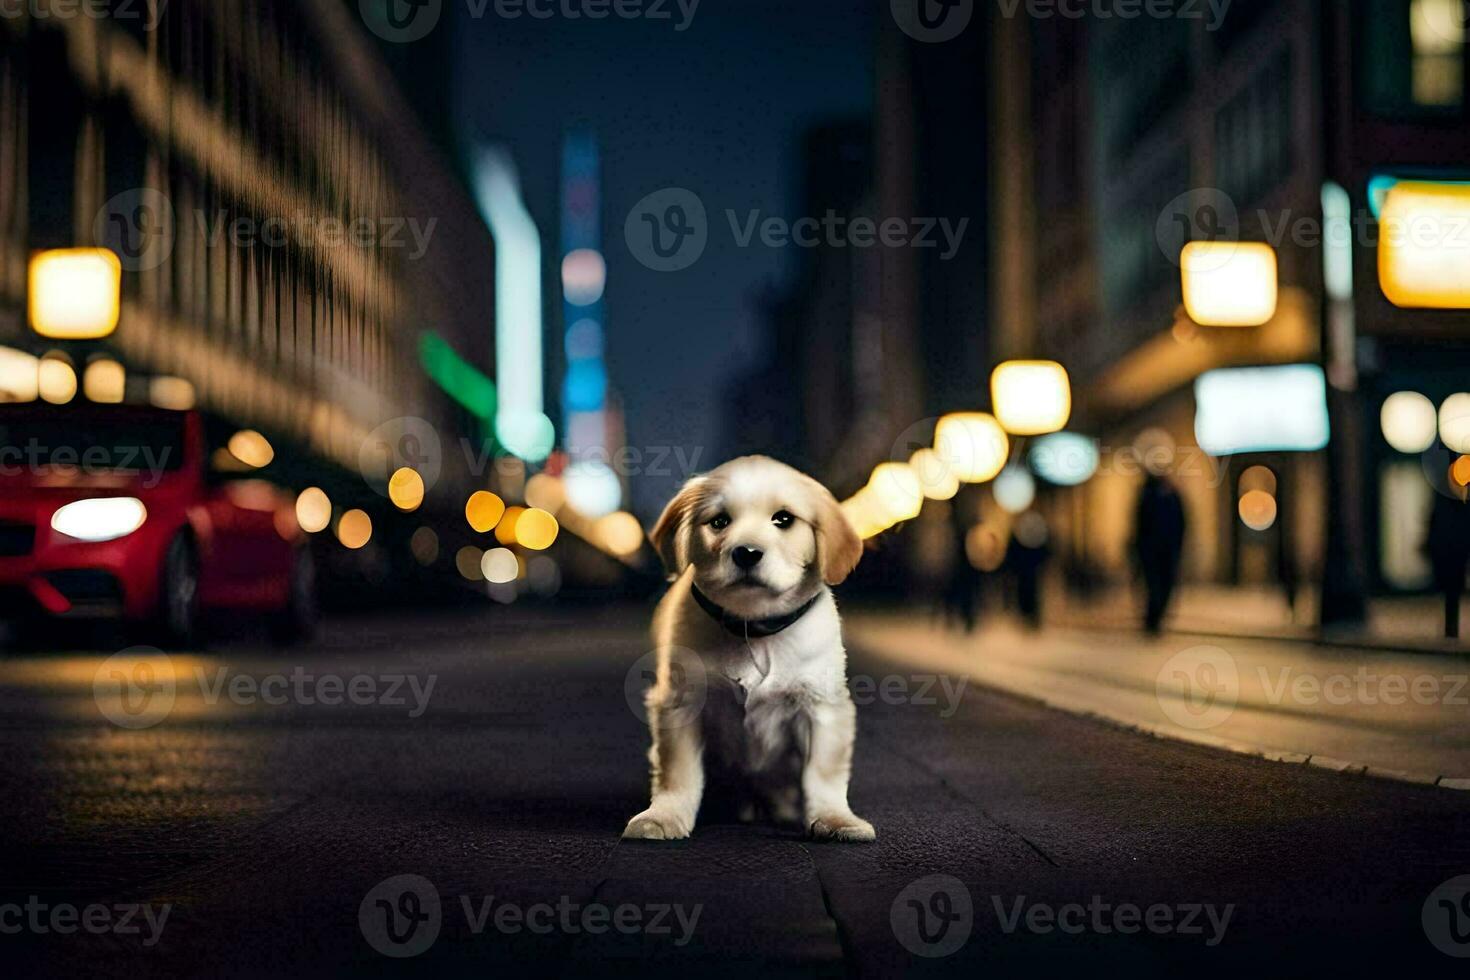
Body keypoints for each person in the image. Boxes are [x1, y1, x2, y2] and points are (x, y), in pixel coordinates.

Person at [1133, 473, 1186, 634]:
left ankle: (1155, 619)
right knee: (1155, 586)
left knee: (1162, 586)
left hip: (1163, 550)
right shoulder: (1150, 497)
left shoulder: (1171, 498)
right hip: (1154, 550)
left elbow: (1182, 524)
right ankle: (1153, 619)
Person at [1428, 483, 1470, 639]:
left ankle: (1450, 628)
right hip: (1453, 547)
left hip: (1451, 547)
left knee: (1451, 593)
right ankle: (1451, 627)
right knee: (1452, 591)